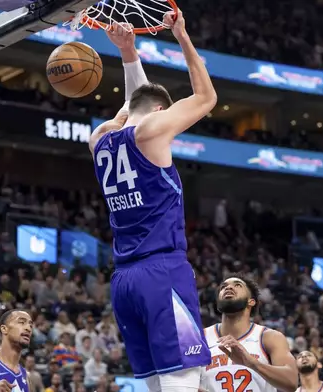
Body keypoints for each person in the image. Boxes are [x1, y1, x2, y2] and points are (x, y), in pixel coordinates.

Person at [88, 10, 217, 392]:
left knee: (162, 385)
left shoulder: (99, 140)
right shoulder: (151, 131)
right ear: (162, 112)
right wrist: (182, 36)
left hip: (124, 281)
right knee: (181, 383)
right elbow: (206, 97)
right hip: (162, 272)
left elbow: (130, 111)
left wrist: (129, 53)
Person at [201, 275, 298, 392]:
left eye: (237, 285)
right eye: (223, 287)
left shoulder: (268, 337)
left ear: (251, 301)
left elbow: (291, 382)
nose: (228, 288)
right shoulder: (200, 338)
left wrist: (253, 364)